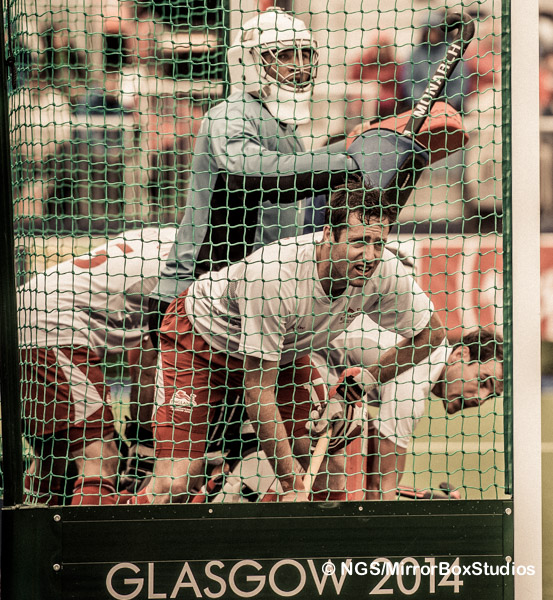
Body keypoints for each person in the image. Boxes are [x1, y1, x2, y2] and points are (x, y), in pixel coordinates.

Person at [130, 178, 445, 505]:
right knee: (175, 485)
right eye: (358, 242)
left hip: (281, 354)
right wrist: (291, 483)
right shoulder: (276, 274)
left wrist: (364, 381)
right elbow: (257, 391)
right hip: (200, 342)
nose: (369, 255)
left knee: (328, 470)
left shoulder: (384, 271)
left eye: (378, 243)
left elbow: (432, 334)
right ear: (328, 234)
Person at [148, 8, 363, 337]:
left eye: (306, 55)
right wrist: (345, 157)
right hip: (195, 298)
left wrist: (361, 151)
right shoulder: (231, 114)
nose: (299, 66)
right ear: (248, 61)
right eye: (285, 55)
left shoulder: (284, 127)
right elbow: (249, 171)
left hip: (248, 300)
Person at [19, 227, 176, 505]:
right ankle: (92, 534)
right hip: (53, 329)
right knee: (100, 457)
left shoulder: (160, 236)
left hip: (23, 312)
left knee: (53, 458)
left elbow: (144, 352)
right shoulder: (196, 265)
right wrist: (145, 439)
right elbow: (153, 359)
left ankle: (28, 530)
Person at [312, 322, 504, 500]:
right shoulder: (412, 389)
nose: (481, 398)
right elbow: (380, 488)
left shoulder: (429, 356)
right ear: (460, 354)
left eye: (491, 395)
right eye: (482, 381)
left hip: (316, 364)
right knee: (336, 477)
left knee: (360, 441)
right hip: (304, 368)